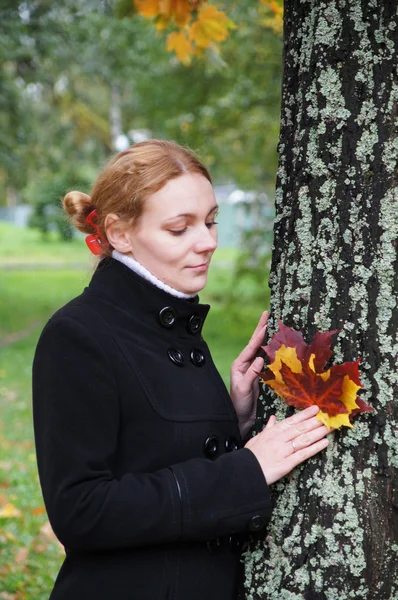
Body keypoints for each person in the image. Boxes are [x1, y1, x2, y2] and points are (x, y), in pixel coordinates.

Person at [32, 140, 329, 600]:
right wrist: (247, 469)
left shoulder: (171, 321)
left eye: (211, 221)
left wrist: (234, 420)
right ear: (120, 233)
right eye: (179, 229)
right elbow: (81, 512)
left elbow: (151, 451)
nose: (208, 242)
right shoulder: (78, 334)